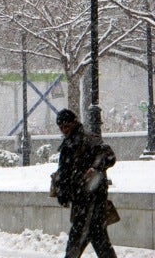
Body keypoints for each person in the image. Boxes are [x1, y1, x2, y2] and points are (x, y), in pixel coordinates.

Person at [53, 108, 117, 258]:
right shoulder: (69, 144)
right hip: (83, 200)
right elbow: (66, 170)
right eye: (61, 128)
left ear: (74, 123)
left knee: (76, 240)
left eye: (66, 126)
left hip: (90, 200)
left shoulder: (88, 140)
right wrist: (60, 184)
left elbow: (109, 155)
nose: (64, 130)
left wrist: (95, 168)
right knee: (99, 239)